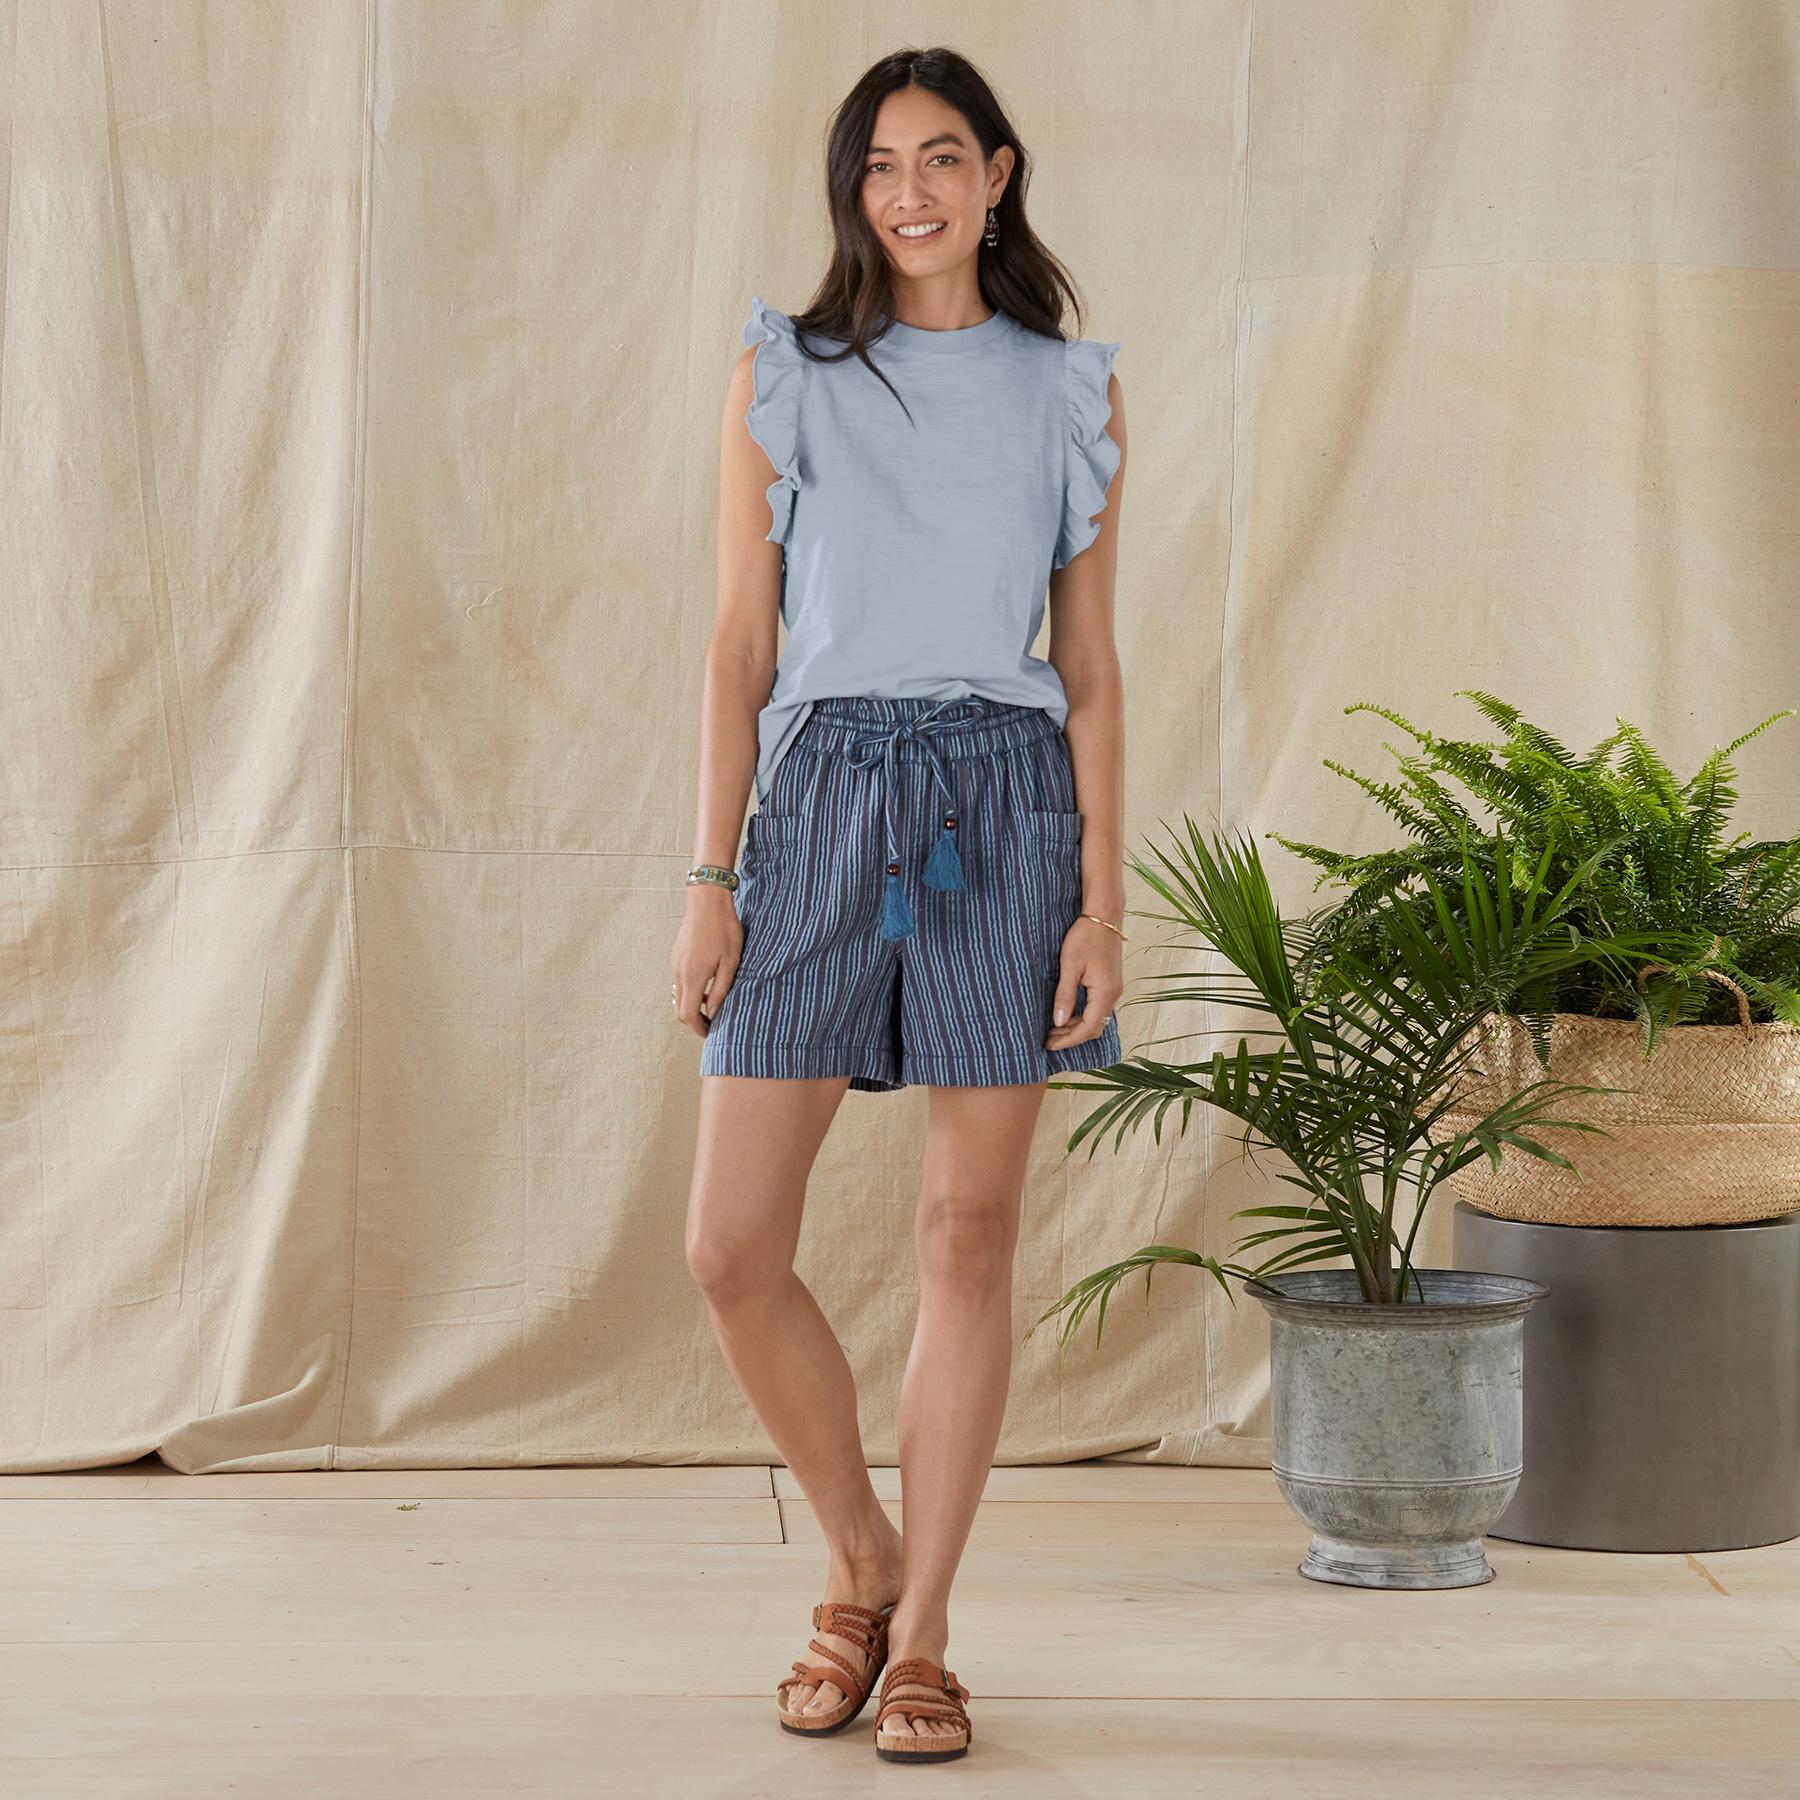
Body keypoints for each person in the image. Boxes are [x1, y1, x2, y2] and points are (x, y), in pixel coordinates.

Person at [671, 45, 1128, 1766]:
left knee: (965, 1232)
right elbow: (740, 644)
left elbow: (1091, 669)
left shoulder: (1070, 391)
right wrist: (712, 881)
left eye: (942, 158)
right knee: (730, 1247)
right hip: (821, 804)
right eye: (878, 165)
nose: (910, 192)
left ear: (998, 175)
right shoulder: (785, 374)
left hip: (1004, 804)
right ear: (849, 189)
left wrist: (1100, 904)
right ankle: (857, 1551)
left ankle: (922, 1629)